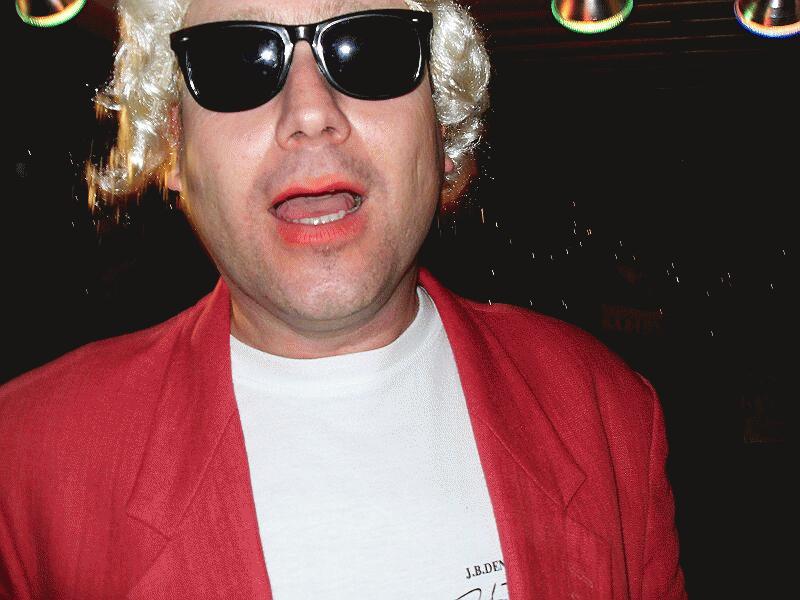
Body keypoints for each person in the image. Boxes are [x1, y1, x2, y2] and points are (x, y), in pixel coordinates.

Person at [0, 0, 686, 598]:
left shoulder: (607, 409)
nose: (310, 114)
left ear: (442, 128)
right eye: (237, 60)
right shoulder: (27, 458)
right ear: (175, 147)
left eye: (369, 48)